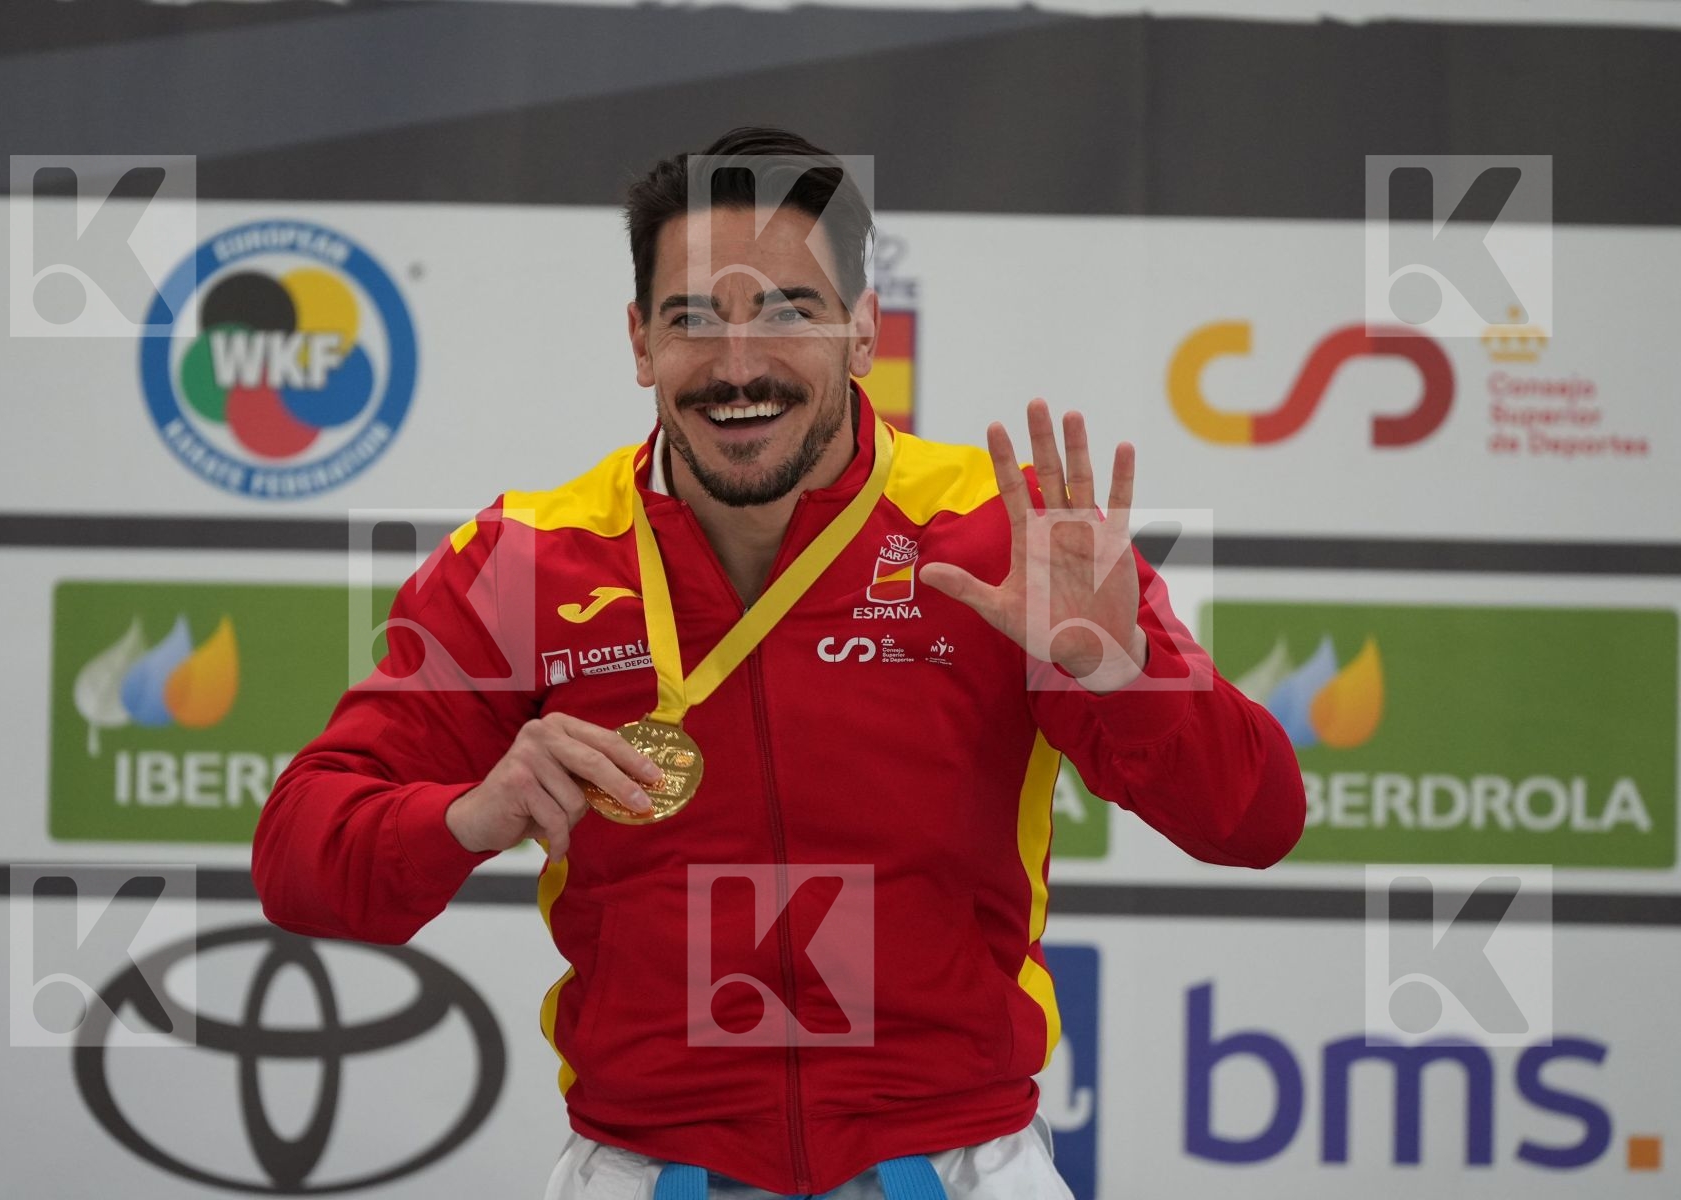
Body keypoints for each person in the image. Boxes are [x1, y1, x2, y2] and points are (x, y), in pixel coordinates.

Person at [252, 126, 1306, 1200]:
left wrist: (1126, 675)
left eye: (790, 311)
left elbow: (1253, 821)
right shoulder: (527, 559)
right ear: (638, 343)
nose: (739, 364)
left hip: (952, 1163)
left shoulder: (996, 538)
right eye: (692, 318)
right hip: (646, 1166)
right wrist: (468, 817)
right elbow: (299, 859)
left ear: (863, 334)